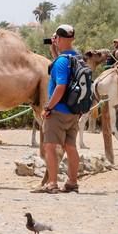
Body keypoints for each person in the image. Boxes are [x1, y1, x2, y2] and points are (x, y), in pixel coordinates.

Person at [33, 24, 80, 194]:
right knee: (70, 147)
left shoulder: (61, 62)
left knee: (50, 147)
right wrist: (55, 52)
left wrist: (48, 107)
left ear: (59, 39)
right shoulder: (76, 58)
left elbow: (60, 86)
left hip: (58, 111)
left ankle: (52, 183)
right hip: (73, 111)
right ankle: (72, 182)